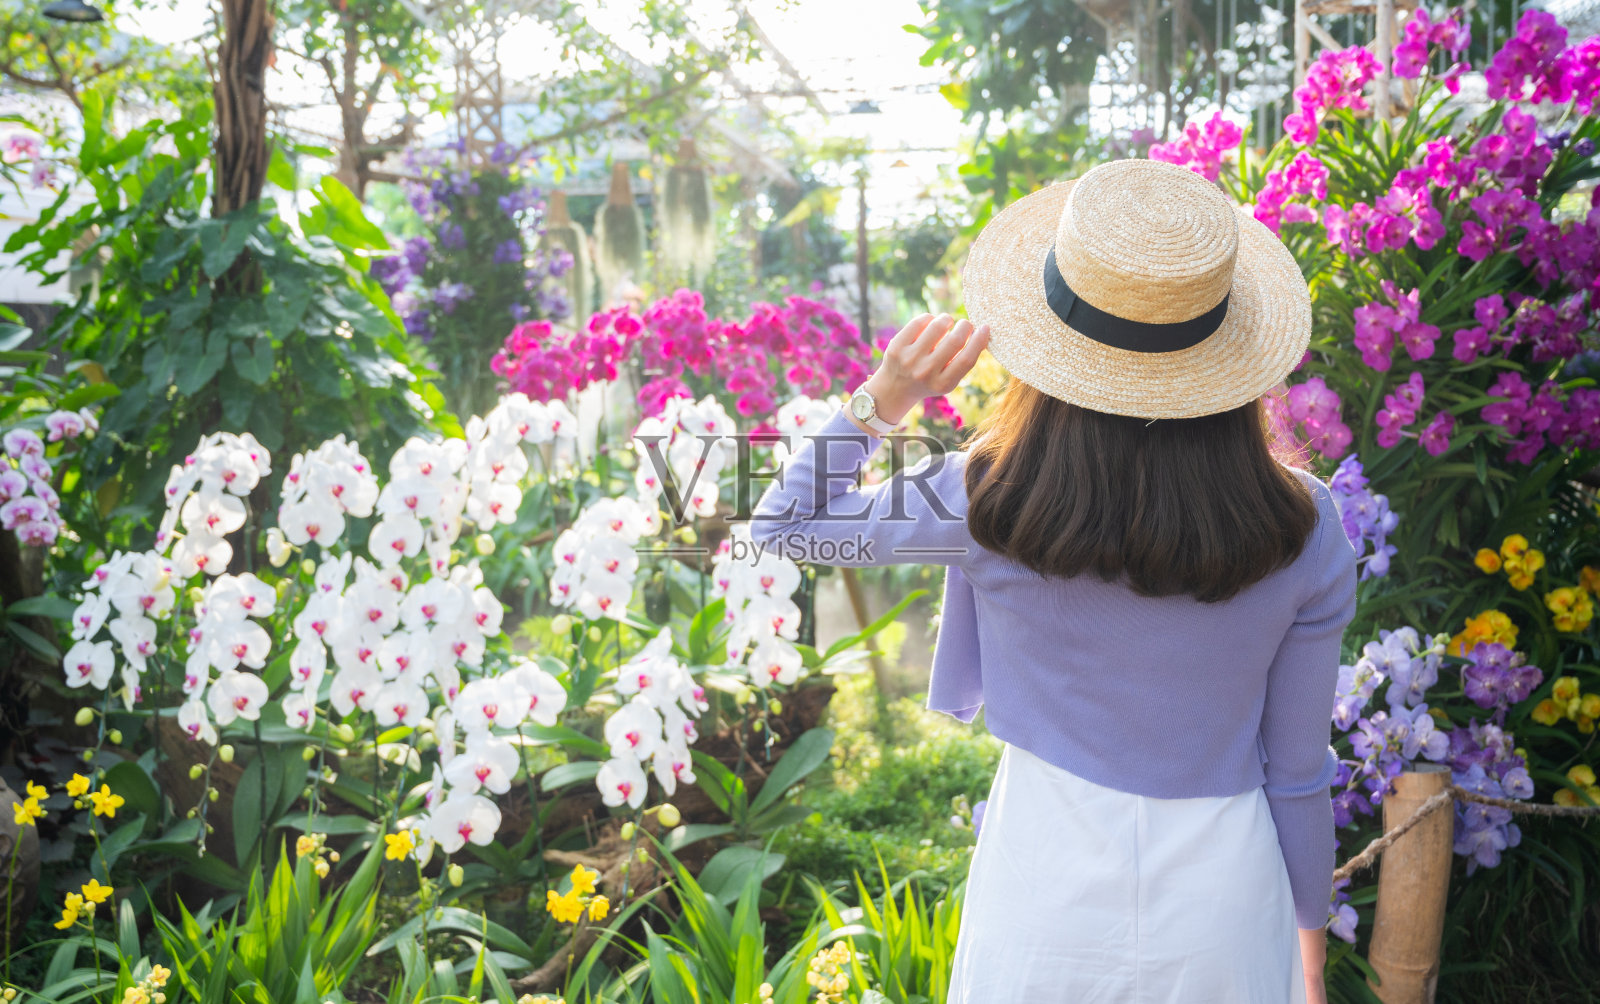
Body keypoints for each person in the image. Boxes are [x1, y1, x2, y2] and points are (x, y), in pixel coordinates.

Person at [749, 158, 1357, 1003]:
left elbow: (783, 528)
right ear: (1227, 348)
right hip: (1224, 896)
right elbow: (1298, 771)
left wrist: (887, 395)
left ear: (1053, 337)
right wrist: (1310, 953)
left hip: (1043, 884)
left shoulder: (984, 493)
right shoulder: (1305, 524)